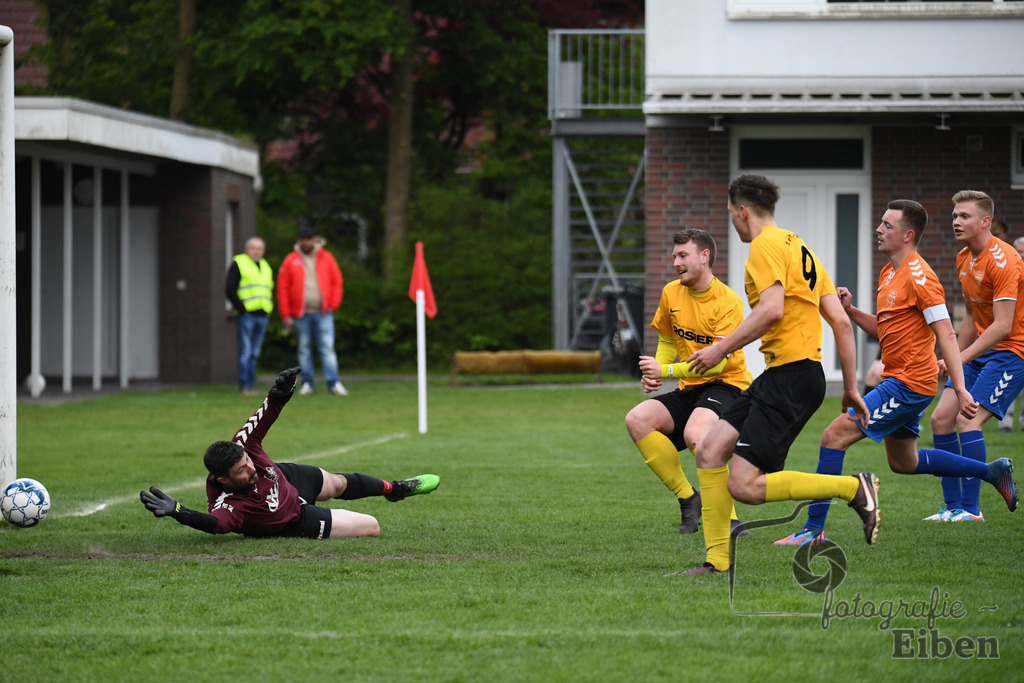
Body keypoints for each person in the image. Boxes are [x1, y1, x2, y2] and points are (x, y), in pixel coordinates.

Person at [774, 200, 1017, 546]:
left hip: (907, 386)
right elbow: (883, 330)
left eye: (887, 225)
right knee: (904, 462)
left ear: (908, 235)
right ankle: (991, 472)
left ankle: (813, 530)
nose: (879, 229)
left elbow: (946, 333)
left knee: (833, 436)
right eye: (881, 224)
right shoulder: (889, 273)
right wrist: (850, 310)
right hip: (900, 381)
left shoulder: (921, 278)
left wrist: (960, 388)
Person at [675, 174, 873, 576]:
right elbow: (840, 321)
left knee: (745, 486)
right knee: (711, 451)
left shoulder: (763, 247)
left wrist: (720, 348)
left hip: (791, 376)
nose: (732, 219)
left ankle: (853, 488)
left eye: (732, 212)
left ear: (742, 211)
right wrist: (850, 387)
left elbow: (772, 310)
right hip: (789, 374)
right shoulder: (800, 247)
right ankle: (717, 562)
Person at [139, 367, 440, 538]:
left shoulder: (244, 448)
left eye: (247, 462)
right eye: (241, 472)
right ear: (223, 481)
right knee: (371, 527)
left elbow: (262, 418)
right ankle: (372, 501)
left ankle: (395, 489)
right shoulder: (228, 504)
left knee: (337, 483)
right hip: (292, 519)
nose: (249, 469)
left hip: (287, 479)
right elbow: (214, 525)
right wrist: (180, 513)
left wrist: (277, 396)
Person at [625, 229, 753, 535]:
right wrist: (656, 370)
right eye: (674, 257)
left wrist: (665, 372)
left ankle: (729, 518)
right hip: (690, 386)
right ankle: (689, 500)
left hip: (728, 384)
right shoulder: (671, 292)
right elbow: (668, 338)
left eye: (683, 256)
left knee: (697, 434)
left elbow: (716, 363)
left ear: (704, 256)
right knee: (637, 419)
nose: (675, 263)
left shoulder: (728, 302)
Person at [924, 192, 1024, 522]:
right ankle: (952, 507)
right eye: (955, 215)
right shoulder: (964, 258)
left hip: (1011, 353)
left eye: (964, 216)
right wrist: (957, 360)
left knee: (968, 420)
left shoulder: (1004, 260)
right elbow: (970, 314)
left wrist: (961, 356)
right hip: (981, 351)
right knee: (941, 419)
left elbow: (1003, 326)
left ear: (985, 222)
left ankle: (971, 509)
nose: (956, 221)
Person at [277, 226, 348, 396]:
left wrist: (333, 303)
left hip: (323, 312)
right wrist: (286, 314)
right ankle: (307, 382)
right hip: (301, 314)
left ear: (313, 240)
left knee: (327, 348)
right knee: (304, 349)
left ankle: (334, 382)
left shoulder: (326, 257)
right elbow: (283, 288)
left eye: (308, 239)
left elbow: (337, 281)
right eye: (303, 239)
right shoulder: (290, 260)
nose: (306, 242)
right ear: (298, 241)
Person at [225, 237, 274, 396]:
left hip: (263, 315)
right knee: (246, 352)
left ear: (263, 251)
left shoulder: (266, 266)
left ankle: (252, 386)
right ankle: (244, 386)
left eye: (259, 248)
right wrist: (242, 308)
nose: (256, 251)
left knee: (255, 353)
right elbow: (230, 289)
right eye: (253, 248)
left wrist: (269, 308)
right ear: (247, 250)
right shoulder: (239, 263)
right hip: (247, 315)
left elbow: (269, 289)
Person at [998, 231, 1024, 432]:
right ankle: (1005, 420)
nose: (1021, 255)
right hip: (1011, 336)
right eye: (1019, 252)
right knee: (1006, 379)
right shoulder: (1007, 273)